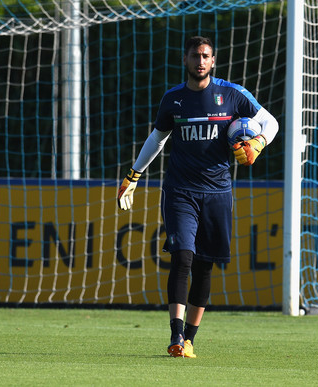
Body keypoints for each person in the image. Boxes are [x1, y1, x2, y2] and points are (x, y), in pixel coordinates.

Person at [117, 36, 279, 358]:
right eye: (195, 56)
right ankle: (175, 335)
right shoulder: (173, 99)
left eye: (205, 56)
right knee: (182, 257)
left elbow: (270, 122)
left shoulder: (232, 95)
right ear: (185, 60)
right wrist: (133, 175)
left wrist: (257, 143)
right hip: (180, 191)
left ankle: (189, 339)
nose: (200, 61)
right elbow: (157, 139)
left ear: (213, 60)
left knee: (204, 267)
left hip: (218, 193)